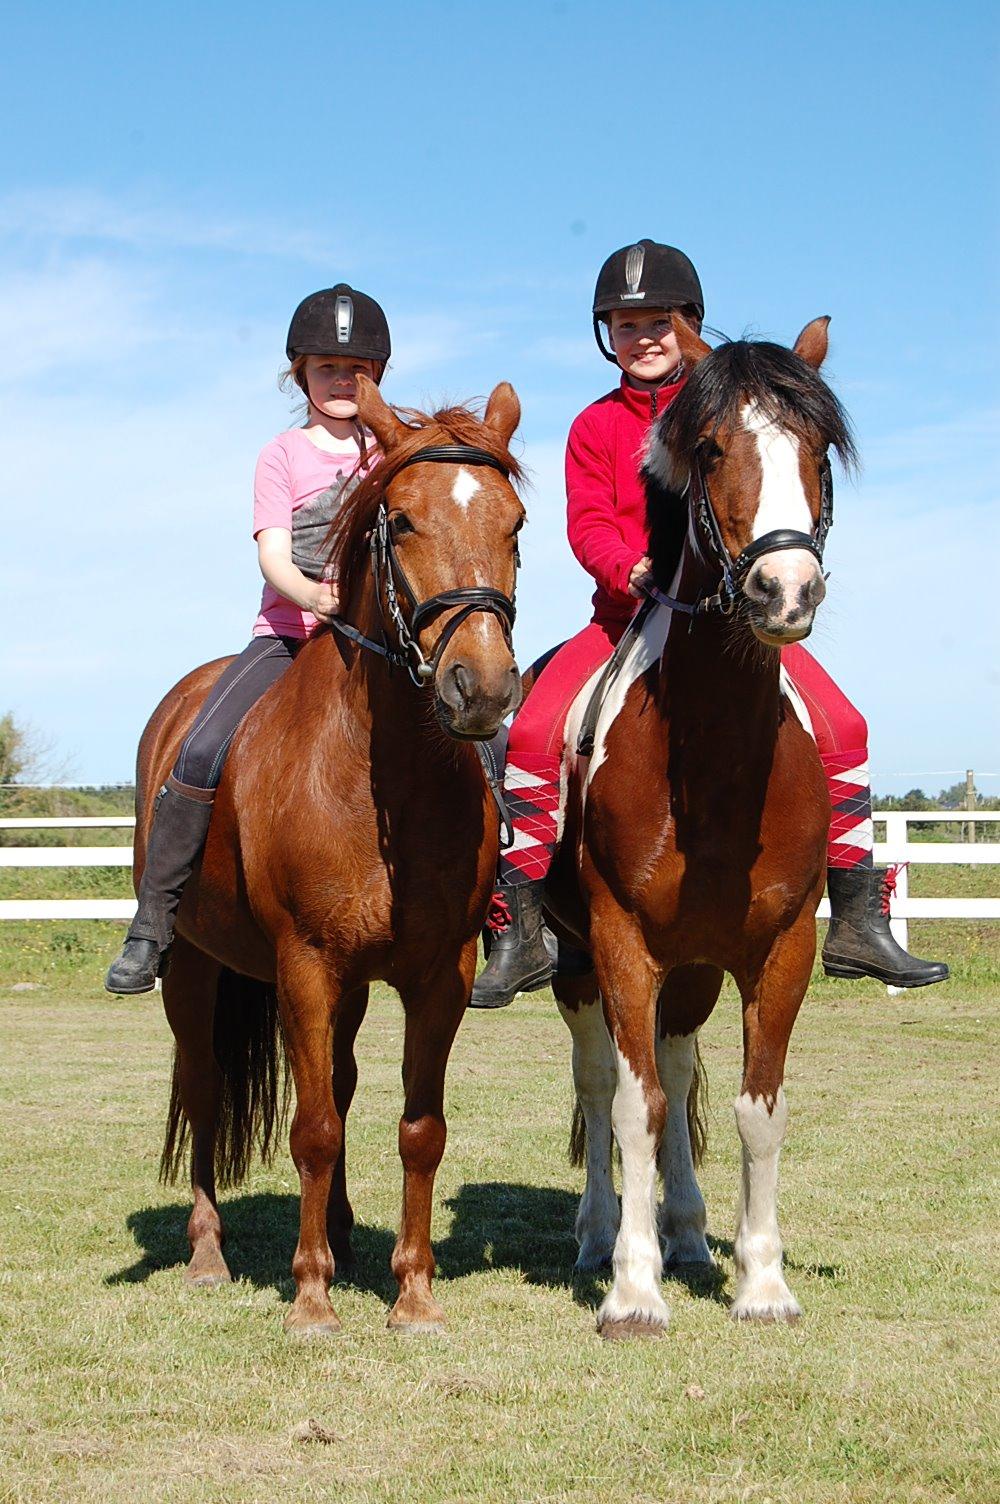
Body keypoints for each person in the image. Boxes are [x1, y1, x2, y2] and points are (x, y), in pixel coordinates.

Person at [471, 240, 948, 1007]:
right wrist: (625, 566)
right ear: (607, 338)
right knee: (530, 735)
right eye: (624, 326)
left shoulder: (731, 410)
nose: (643, 337)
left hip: (730, 623)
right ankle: (526, 931)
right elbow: (587, 520)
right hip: (624, 617)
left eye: (658, 321)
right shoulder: (595, 426)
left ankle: (858, 917)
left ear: (691, 325)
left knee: (846, 726)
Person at [105, 284, 391, 995]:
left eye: (356, 368)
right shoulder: (283, 454)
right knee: (200, 751)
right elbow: (271, 552)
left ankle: (506, 916)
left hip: (381, 649)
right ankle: (153, 923)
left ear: (378, 375)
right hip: (290, 636)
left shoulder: (392, 452)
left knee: (478, 744)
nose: (341, 380)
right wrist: (317, 599)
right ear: (301, 373)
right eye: (326, 366)